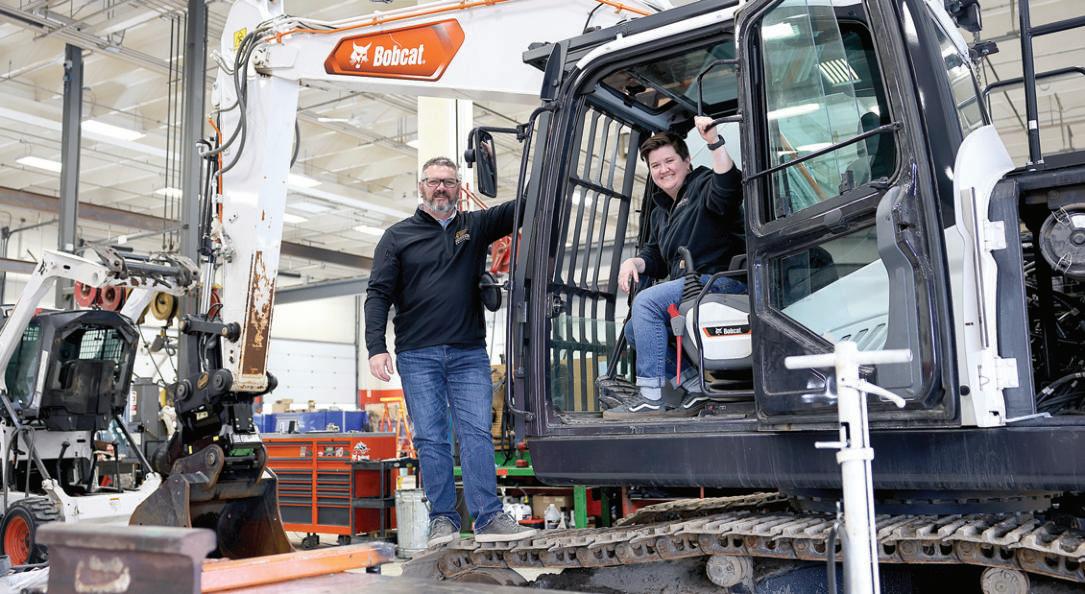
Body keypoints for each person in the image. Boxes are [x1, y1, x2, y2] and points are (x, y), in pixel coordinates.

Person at [364, 156, 535, 547]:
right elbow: (378, 294)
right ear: (421, 187)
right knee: (431, 439)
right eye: (433, 181)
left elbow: (525, 206)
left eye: (449, 181)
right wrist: (376, 347)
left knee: (476, 435)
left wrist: (543, 156)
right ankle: (442, 519)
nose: (441, 187)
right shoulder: (397, 237)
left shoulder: (474, 227)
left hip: (468, 355)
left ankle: (488, 517)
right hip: (417, 355)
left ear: (459, 188)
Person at [603, 116, 745, 418]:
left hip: (719, 282)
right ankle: (695, 386)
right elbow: (655, 255)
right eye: (655, 165)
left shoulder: (704, 184)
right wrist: (633, 262)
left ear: (686, 161)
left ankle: (650, 396)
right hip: (692, 290)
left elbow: (729, 189)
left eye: (669, 161)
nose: (663, 170)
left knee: (646, 303)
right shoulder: (660, 211)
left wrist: (714, 142)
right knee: (634, 329)